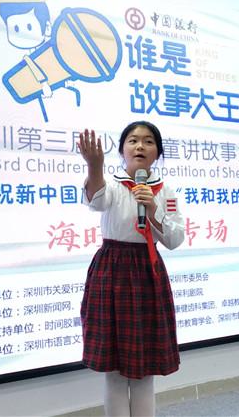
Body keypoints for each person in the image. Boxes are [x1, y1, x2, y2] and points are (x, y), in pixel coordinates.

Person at [77, 121, 185, 417]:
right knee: (113, 370)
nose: (140, 146)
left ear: (157, 153)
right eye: (133, 140)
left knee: (144, 369)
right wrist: (94, 167)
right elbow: (96, 202)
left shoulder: (165, 191)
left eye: (148, 141)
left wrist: (153, 209)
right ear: (122, 150)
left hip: (148, 273)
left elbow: (174, 239)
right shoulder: (112, 184)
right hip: (112, 272)